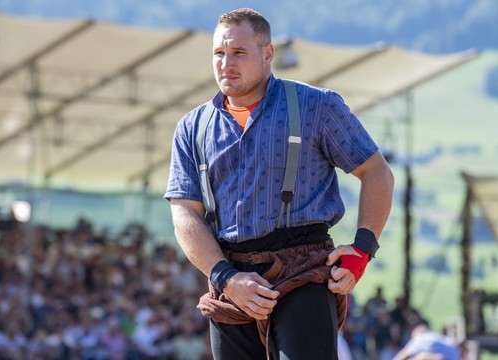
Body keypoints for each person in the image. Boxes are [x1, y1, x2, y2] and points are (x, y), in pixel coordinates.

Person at [164, 7, 394, 360]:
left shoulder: (316, 106)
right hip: (231, 275)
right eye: (219, 53)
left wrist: (362, 249)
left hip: (303, 266)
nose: (226, 63)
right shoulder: (192, 128)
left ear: (268, 54)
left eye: (238, 53)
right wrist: (226, 277)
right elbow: (184, 214)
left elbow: (377, 172)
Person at [393, 321, 461, 360]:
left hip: (442, 357)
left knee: (420, 357)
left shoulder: (421, 338)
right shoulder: (437, 337)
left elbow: (402, 355)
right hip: (456, 356)